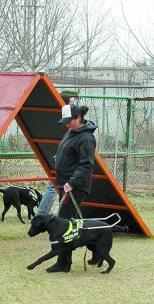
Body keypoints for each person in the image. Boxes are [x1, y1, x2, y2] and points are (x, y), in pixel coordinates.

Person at [45, 104, 98, 272]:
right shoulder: (71, 133)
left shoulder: (86, 139)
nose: (67, 124)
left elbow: (86, 165)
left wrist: (72, 183)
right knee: (73, 224)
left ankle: (63, 263)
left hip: (75, 186)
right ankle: (95, 251)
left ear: (78, 118)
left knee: (64, 224)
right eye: (65, 121)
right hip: (66, 184)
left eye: (70, 121)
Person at [34, 91, 78, 216]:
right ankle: (41, 215)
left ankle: (42, 214)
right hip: (61, 156)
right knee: (53, 186)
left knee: (54, 186)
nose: (74, 105)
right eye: (72, 103)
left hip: (61, 155)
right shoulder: (65, 121)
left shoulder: (59, 118)